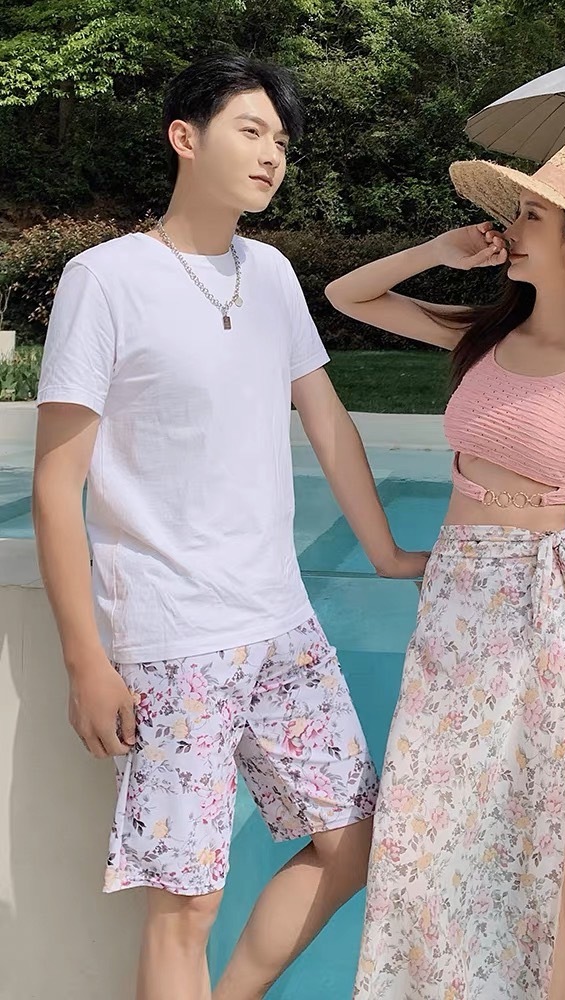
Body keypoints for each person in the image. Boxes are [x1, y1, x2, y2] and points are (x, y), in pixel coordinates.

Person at [32, 53, 427, 1000]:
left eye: (281, 140)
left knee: (352, 837)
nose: (271, 155)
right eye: (251, 131)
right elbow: (56, 483)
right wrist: (86, 660)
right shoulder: (105, 279)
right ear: (185, 137)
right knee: (187, 905)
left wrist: (384, 552)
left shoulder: (272, 272)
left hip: (280, 620)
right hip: (172, 637)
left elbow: (327, 421)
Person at [325, 136, 565, 1000]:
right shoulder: (483, 333)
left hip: (543, 618)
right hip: (452, 614)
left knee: (539, 853)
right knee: (423, 838)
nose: (511, 228)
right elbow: (347, 295)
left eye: (532, 215)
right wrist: (441, 250)